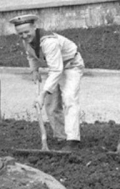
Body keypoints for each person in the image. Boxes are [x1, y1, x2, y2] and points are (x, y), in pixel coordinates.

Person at [11, 14, 85, 150]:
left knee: (69, 99)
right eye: (20, 33)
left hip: (71, 65)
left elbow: (57, 70)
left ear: (34, 27)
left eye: (27, 32)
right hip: (56, 67)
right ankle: (62, 136)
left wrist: (42, 94)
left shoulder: (48, 41)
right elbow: (30, 55)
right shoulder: (26, 41)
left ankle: (72, 140)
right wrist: (34, 70)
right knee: (51, 104)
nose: (24, 36)